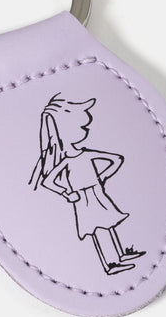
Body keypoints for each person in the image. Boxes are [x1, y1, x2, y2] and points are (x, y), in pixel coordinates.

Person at [29, 94, 145, 275]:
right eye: (82, 126)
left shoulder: (85, 154)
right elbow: (48, 181)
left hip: (96, 192)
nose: (85, 130)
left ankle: (120, 255)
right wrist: (67, 193)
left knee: (107, 223)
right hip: (83, 198)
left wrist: (102, 177)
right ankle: (110, 264)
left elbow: (116, 159)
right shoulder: (68, 160)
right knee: (98, 228)